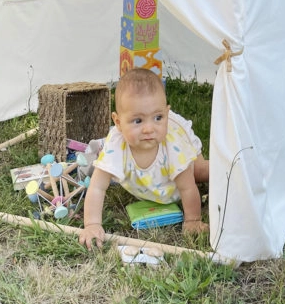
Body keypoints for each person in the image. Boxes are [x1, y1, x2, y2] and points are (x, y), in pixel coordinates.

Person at [79, 68, 209, 249]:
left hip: (180, 166)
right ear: (118, 123)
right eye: (138, 121)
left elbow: (187, 188)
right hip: (153, 179)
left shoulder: (172, 146)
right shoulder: (117, 146)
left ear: (166, 113)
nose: (149, 128)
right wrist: (92, 225)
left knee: (200, 172)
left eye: (158, 117)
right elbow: (97, 186)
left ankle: (233, 170)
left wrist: (193, 220)